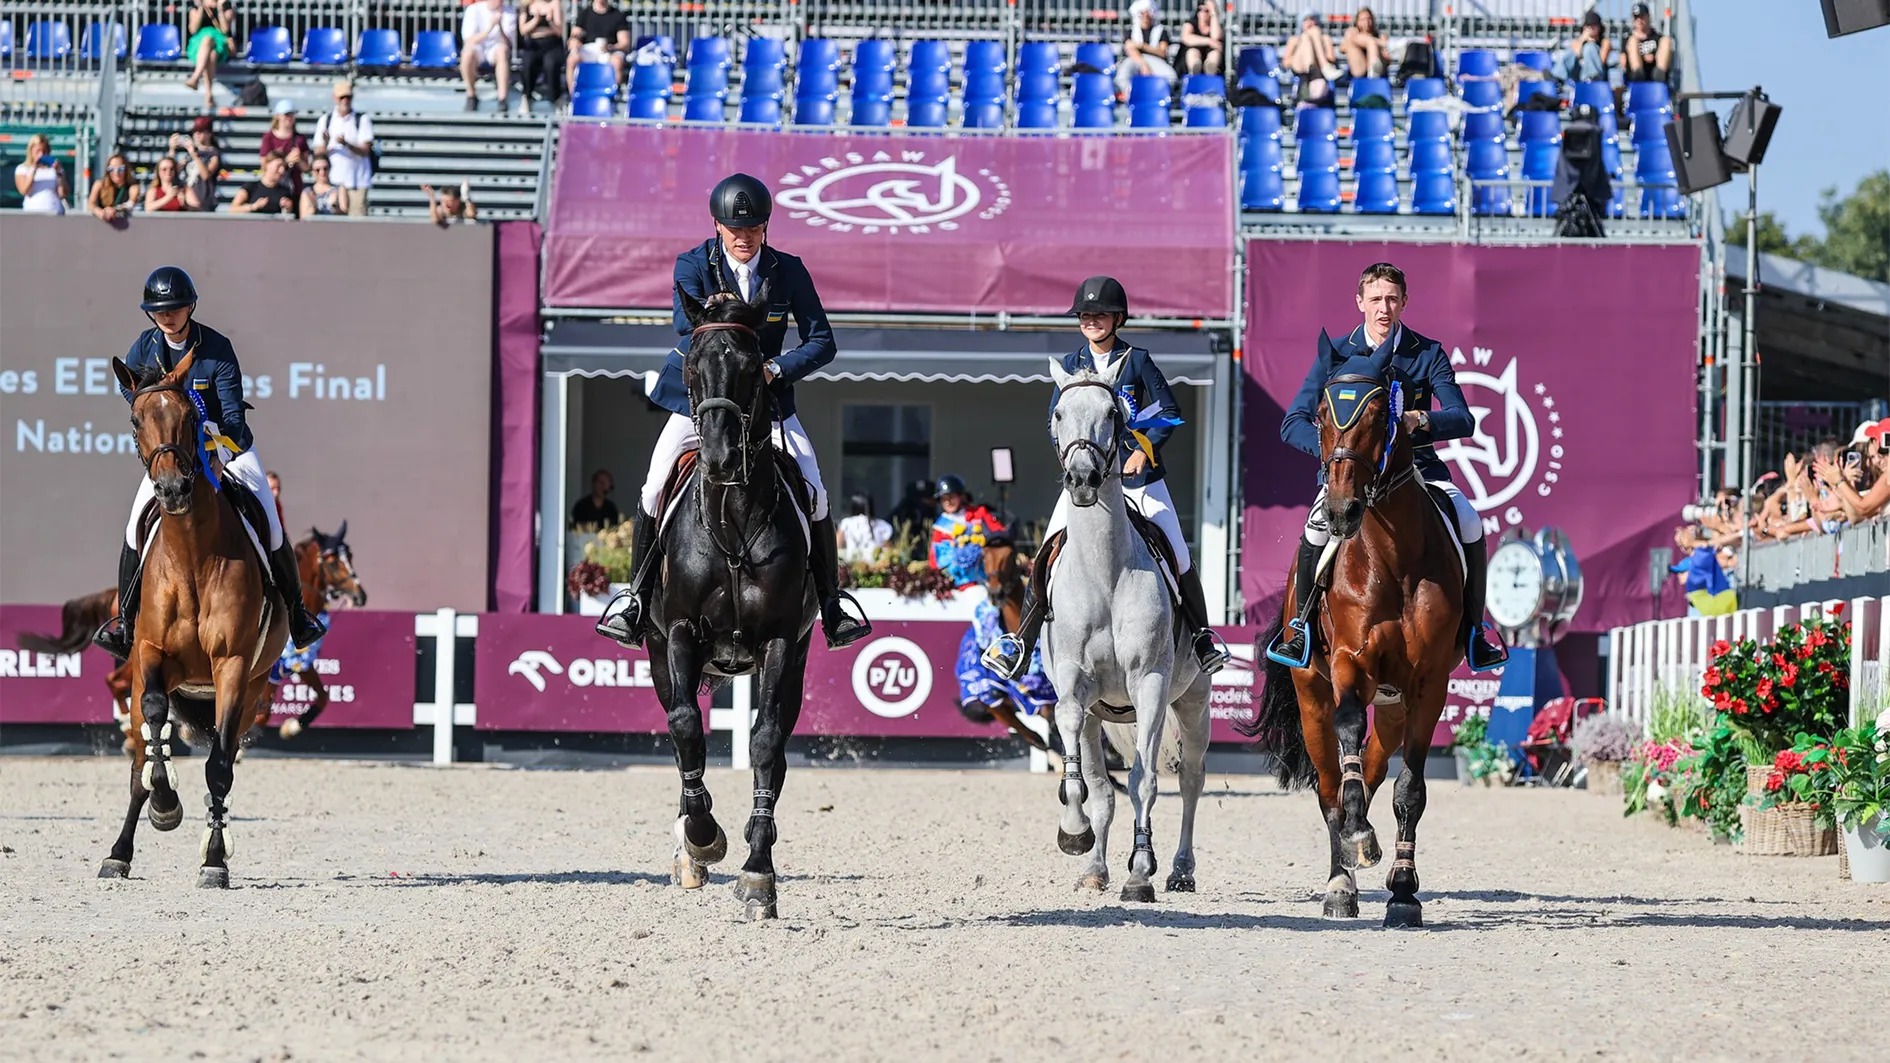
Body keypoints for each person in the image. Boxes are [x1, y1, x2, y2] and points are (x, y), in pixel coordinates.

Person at [595, 173, 870, 651]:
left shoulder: (788, 270)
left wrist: (774, 369)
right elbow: (687, 321)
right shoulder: (693, 263)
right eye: (734, 229)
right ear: (717, 226)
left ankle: (831, 604)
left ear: (765, 227)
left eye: (754, 229)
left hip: (768, 403)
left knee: (816, 490)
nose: (744, 238)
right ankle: (635, 599)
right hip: (702, 403)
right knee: (655, 482)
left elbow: (822, 341)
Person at [984, 276, 1229, 679]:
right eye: (1085, 314)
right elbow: (1053, 421)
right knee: (1047, 552)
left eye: (1099, 314)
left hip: (1140, 478)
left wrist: (1141, 451)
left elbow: (1168, 411)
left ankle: (1201, 637)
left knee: (1178, 553)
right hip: (1085, 481)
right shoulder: (1068, 366)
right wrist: (1073, 459)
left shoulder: (1137, 360)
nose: (1091, 320)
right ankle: (1021, 644)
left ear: (1118, 318)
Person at [1268, 261, 1508, 672]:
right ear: (1360, 301)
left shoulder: (1427, 352)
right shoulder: (1337, 353)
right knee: (1315, 528)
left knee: (1469, 522)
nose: (1384, 308)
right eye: (1376, 299)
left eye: (1392, 299)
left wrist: (1422, 420)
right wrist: (1336, 457)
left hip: (1416, 472)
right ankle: (1301, 629)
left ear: (1404, 303)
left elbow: (1463, 417)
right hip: (1351, 476)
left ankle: (1474, 632)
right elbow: (1293, 423)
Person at [93, 267, 326, 658]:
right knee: (135, 527)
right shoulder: (142, 347)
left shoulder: (217, 348)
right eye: (159, 310)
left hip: (228, 448)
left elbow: (234, 416)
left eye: (176, 308)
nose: (167, 316)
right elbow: (128, 386)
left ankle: (298, 616)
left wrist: (213, 447)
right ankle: (126, 625)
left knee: (270, 525)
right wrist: (156, 413)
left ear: (191, 307)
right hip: (174, 456)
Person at [930, 476, 1007, 589]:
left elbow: (1000, 535)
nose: (948, 502)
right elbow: (934, 560)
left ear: (961, 496)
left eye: (951, 497)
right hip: (956, 584)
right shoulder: (940, 527)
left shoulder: (979, 514)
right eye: (943, 499)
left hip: (984, 580)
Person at [314, 79, 375, 217]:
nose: (345, 100)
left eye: (348, 97)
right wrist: (326, 143)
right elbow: (318, 154)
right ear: (335, 98)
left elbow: (365, 150)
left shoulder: (362, 120)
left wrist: (346, 144)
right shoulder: (325, 120)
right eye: (342, 97)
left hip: (356, 182)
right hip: (333, 183)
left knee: (358, 224)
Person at [461, 0, 519, 113]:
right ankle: (471, 95)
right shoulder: (473, 10)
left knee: (503, 51)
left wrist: (500, 26)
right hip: (478, 46)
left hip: (497, 46)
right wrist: (488, 29)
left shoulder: (509, 12)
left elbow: (508, 42)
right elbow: (469, 40)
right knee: (466, 53)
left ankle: (502, 98)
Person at [1670, 526, 1736, 616]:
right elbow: (1681, 577)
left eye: (1694, 530)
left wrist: (1692, 541)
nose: (1693, 531)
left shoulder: (1707, 550)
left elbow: (1709, 545)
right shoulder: (1690, 561)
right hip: (1700, 607)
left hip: (1717, 601)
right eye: (1690, 531)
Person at [1116, 0, 1178, 97]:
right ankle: (1130, 95)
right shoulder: (1130, 30)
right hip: (1135, 59)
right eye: (1142, 13)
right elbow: (1130, 49)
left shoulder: (1161, 30)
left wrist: (1141, 46)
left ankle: (1157, 95)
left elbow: (1162, 52)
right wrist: (1143, 65)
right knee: (1122, 76)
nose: (1145, 16)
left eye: (1148, 13)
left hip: (1155, 60)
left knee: (1171, 77)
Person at [568, 0, 633, 91]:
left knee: (617, 61)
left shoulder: (617, 15)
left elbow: (624, 43)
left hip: (610, 50)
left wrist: (610, 47)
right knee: (572, 59)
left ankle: (612, 95)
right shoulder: (585, 13)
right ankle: (574, 96)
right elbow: (575, 35)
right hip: (589, 49)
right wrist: (574, 40)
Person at [184, 0, 234, 110]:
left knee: (210, 43)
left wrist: (220, 9)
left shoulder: (226, 5)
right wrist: (201, 8)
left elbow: (225, 30)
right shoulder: (196, 6)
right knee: (211, 52)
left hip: (219, 41)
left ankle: (195, 77)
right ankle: (209, 93)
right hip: (199, 43)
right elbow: (193, 29)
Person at [1281, 10, 1340, 104]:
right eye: (1305, 20)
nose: (1309, 23)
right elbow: (1286, 63)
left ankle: (1316, 69)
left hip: (1317, 69)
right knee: (1306, 38)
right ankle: (1320, 68)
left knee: (1313, 34)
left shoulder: (1325, 39)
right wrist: (1302, 54)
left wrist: (1316, 51)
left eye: (1312, 19)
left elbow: (1331, 58)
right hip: (1299, 69)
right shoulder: (1294, 39)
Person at [258, 99, 311, 202]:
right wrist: (286, 161)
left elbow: (306, 168)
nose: (290, 118)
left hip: (295, 187)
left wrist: (298, 159)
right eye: (286, 115)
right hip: (273, 187)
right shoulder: (268, 138)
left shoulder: (300, 139)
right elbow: (264, 164)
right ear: (278, 116)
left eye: (292, 114)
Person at [518, 0, 567, 106]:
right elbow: (523, 30)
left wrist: (550, 21)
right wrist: (536, 20)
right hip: (533, 44)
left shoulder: (554, 3)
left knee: (551, 64)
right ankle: (527, 96)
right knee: (528, 62)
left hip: (552, 43)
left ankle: (556, 98)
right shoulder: (526, 5)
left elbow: (559, 31)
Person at [171, 117, 222, 211]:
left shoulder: (213, 154)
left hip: (204, 202)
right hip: (188, 201)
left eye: (201, 131)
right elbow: (174, 171)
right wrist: (172, 150)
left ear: (209, 133)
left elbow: (206, 175)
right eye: (195, 131)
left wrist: (194, 155)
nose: (197, 134)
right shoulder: (190, 154)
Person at [228, 152, 298, 216]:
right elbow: (233, 209)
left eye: (284, 167)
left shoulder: (285, 191)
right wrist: (253, 207)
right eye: (278, 166)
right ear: (267, 165)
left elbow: (290, 217)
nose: (282, 170)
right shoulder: (251, 187)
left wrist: (287, 208)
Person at [12, 134, 68, 214]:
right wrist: (34, 169)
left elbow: (62, 193)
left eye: (44, 151)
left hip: (54, 212)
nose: (41, 154)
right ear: (31, 150)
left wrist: (59, 173)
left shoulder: (56, 170)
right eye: (38, 151)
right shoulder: (22, 169)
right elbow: (24, 190)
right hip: (32, 212)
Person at [1552, 10, 1611, 83]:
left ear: (1599, 27)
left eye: (1594, 25)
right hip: (1580, 75)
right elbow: (1576, 55)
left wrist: (1592, 43)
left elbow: (1601, 62)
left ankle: (1592, 77)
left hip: (1598, 76)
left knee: (1590, 47)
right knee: (1570, 52)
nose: (1591, 29)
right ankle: (1557, 78)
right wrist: (1582, 40)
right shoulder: (1577, 42)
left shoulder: (1605, 42)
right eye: (1588, 26)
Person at [1621, 3, 1672, 84]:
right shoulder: (1628, 39)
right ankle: (1638, 73)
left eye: (1641, 17)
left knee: (1666, 40)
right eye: (1636, 17)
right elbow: (1623, 61)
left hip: (1654, 74)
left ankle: (1659, 75)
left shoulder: (1657, 38)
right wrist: (1644, 58)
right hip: (1635, 77)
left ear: (1648, 16)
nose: (1639, 20)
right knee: (1633, 41)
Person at [838, 494, 893, 563]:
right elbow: (888, 550)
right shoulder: (883, 526)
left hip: (851, 564)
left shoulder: (846, 523)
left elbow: (837, 545)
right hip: (875, 566)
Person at [1342, 6, 1392, 80]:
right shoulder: (1353, 34)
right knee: (1365, 41)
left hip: (1379, 70)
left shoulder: (1381, 36)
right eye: (1363, 19)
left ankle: (1373, 72)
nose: (1367, 22)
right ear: (1357, 21)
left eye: (1369, 19)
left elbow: (1388, 59)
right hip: (1358, 69)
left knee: (1372, 43)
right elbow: (1342, 48)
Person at [87, 152, 137, 223]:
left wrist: (115, 210)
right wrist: (99, 212)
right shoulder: (99, 184)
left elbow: (130, 204)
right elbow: (91, 204)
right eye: (111, 169)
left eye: (120, 169)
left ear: (126, 170)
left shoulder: (133, 187)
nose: (116, 173)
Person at [1178, 0, 1223, 77]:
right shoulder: (1190, 24)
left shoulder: (1216, 26)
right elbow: (1186, 38)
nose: (1203, 13)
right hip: (1188, 65)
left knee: (1215, 53)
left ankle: (1210, 71)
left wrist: (1213, 13)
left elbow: (1216, 37)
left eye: (1207, 10)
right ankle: (1194, 71)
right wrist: (1209, 41)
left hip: (1210, 64)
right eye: (1200, 10)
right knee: (1192, 52)